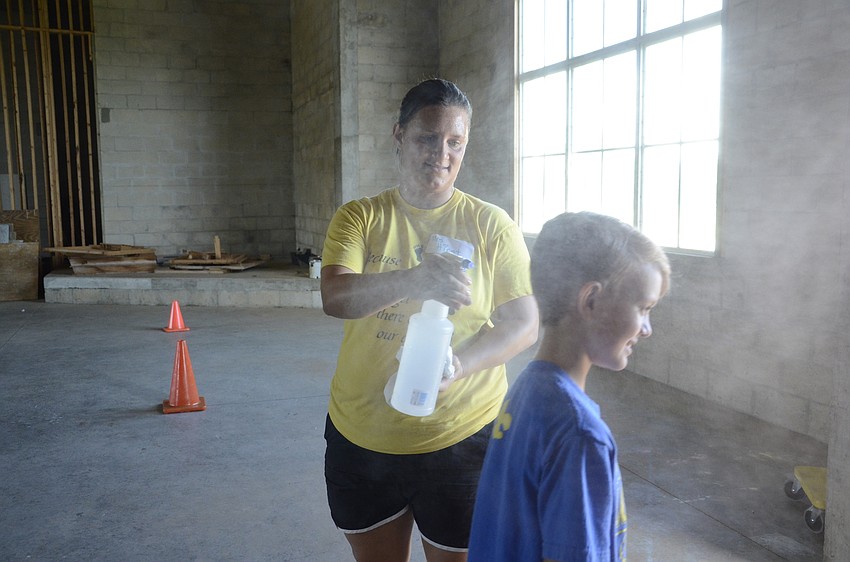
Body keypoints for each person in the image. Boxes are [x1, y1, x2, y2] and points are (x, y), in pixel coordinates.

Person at [319, 78, 540, 562]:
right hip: (364, 435)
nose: (442, 154)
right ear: (399, 135)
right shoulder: (361, 217)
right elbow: (336, 297)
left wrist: (457, 366)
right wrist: (416, 280)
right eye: (427, 137)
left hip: (460, 437)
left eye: (455, 142)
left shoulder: (490, 225)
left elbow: (524, 323)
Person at [467, 211, 672, 562]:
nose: (646, 328)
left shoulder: (527, 389)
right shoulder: (579, 433)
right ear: (591, 301)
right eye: (643, 308)